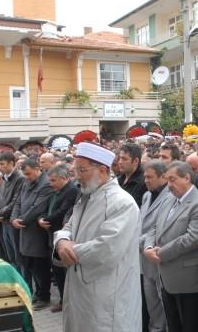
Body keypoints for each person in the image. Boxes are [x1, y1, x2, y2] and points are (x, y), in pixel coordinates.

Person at [53, 142, 141, 332]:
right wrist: (61, 242)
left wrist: (70, 249)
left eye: (82, 170)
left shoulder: (121, 203)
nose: (77, 176)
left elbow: (106, 249)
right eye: (76, 170)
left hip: (106, 292)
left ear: (102, 170)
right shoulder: (86, 197)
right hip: (78, 287)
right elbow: (68, 227)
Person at [144, 161, 198, 332]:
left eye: (173, 180)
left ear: (187, 178)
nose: (169, 185)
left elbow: (193, 238)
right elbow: (154, 227)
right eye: (167, 180)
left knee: (191, 325)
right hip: (165, 278)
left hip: (189, 280)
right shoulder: (169, 200)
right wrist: (147, 247)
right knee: (173, 324)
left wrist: (160, 253)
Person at [10, 158, 53, 310]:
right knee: (30, 265)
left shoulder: (46, 184)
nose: (27, 177)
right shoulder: (25, 183)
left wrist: (21, 219)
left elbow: (38, 207)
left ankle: (44, 296)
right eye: (25, 174)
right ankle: (37, 293)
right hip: (24, 230)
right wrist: (14, 218)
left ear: (37, 169)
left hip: (36, 232)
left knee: (40, 266)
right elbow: (18, 202)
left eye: (29, 174)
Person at [40, 164, 78, 313]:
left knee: (63, 272)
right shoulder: (55, 191)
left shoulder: (71, 190)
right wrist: (41, 219)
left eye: (54, 180)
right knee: (56, 270)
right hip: (51, 233)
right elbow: (46, 207)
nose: (51, 183)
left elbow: (63, 212)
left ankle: (66, 301)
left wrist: (46, 220)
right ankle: (63, 299)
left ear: (63, 178)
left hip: (61, 235)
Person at [140, 160, 172, 332]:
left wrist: (138, 241)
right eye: (145, 176)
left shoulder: (170, 196)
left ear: (163, 177)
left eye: (150, 177)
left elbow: (160, 227)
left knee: (163, 302)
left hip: (157, 255)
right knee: (151, 303)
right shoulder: (146, 195)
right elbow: (141, 223)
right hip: (144, 260)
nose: (146, 180)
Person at [0, 152, 25, 267]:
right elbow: (1, 199)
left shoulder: (20, 178)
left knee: (18, 259)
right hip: (4, 222)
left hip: (12, 221)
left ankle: (23, 284)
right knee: (10, 257)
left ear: (11, 163)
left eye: (2, 164)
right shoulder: (4, 178)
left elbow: (15, 201)